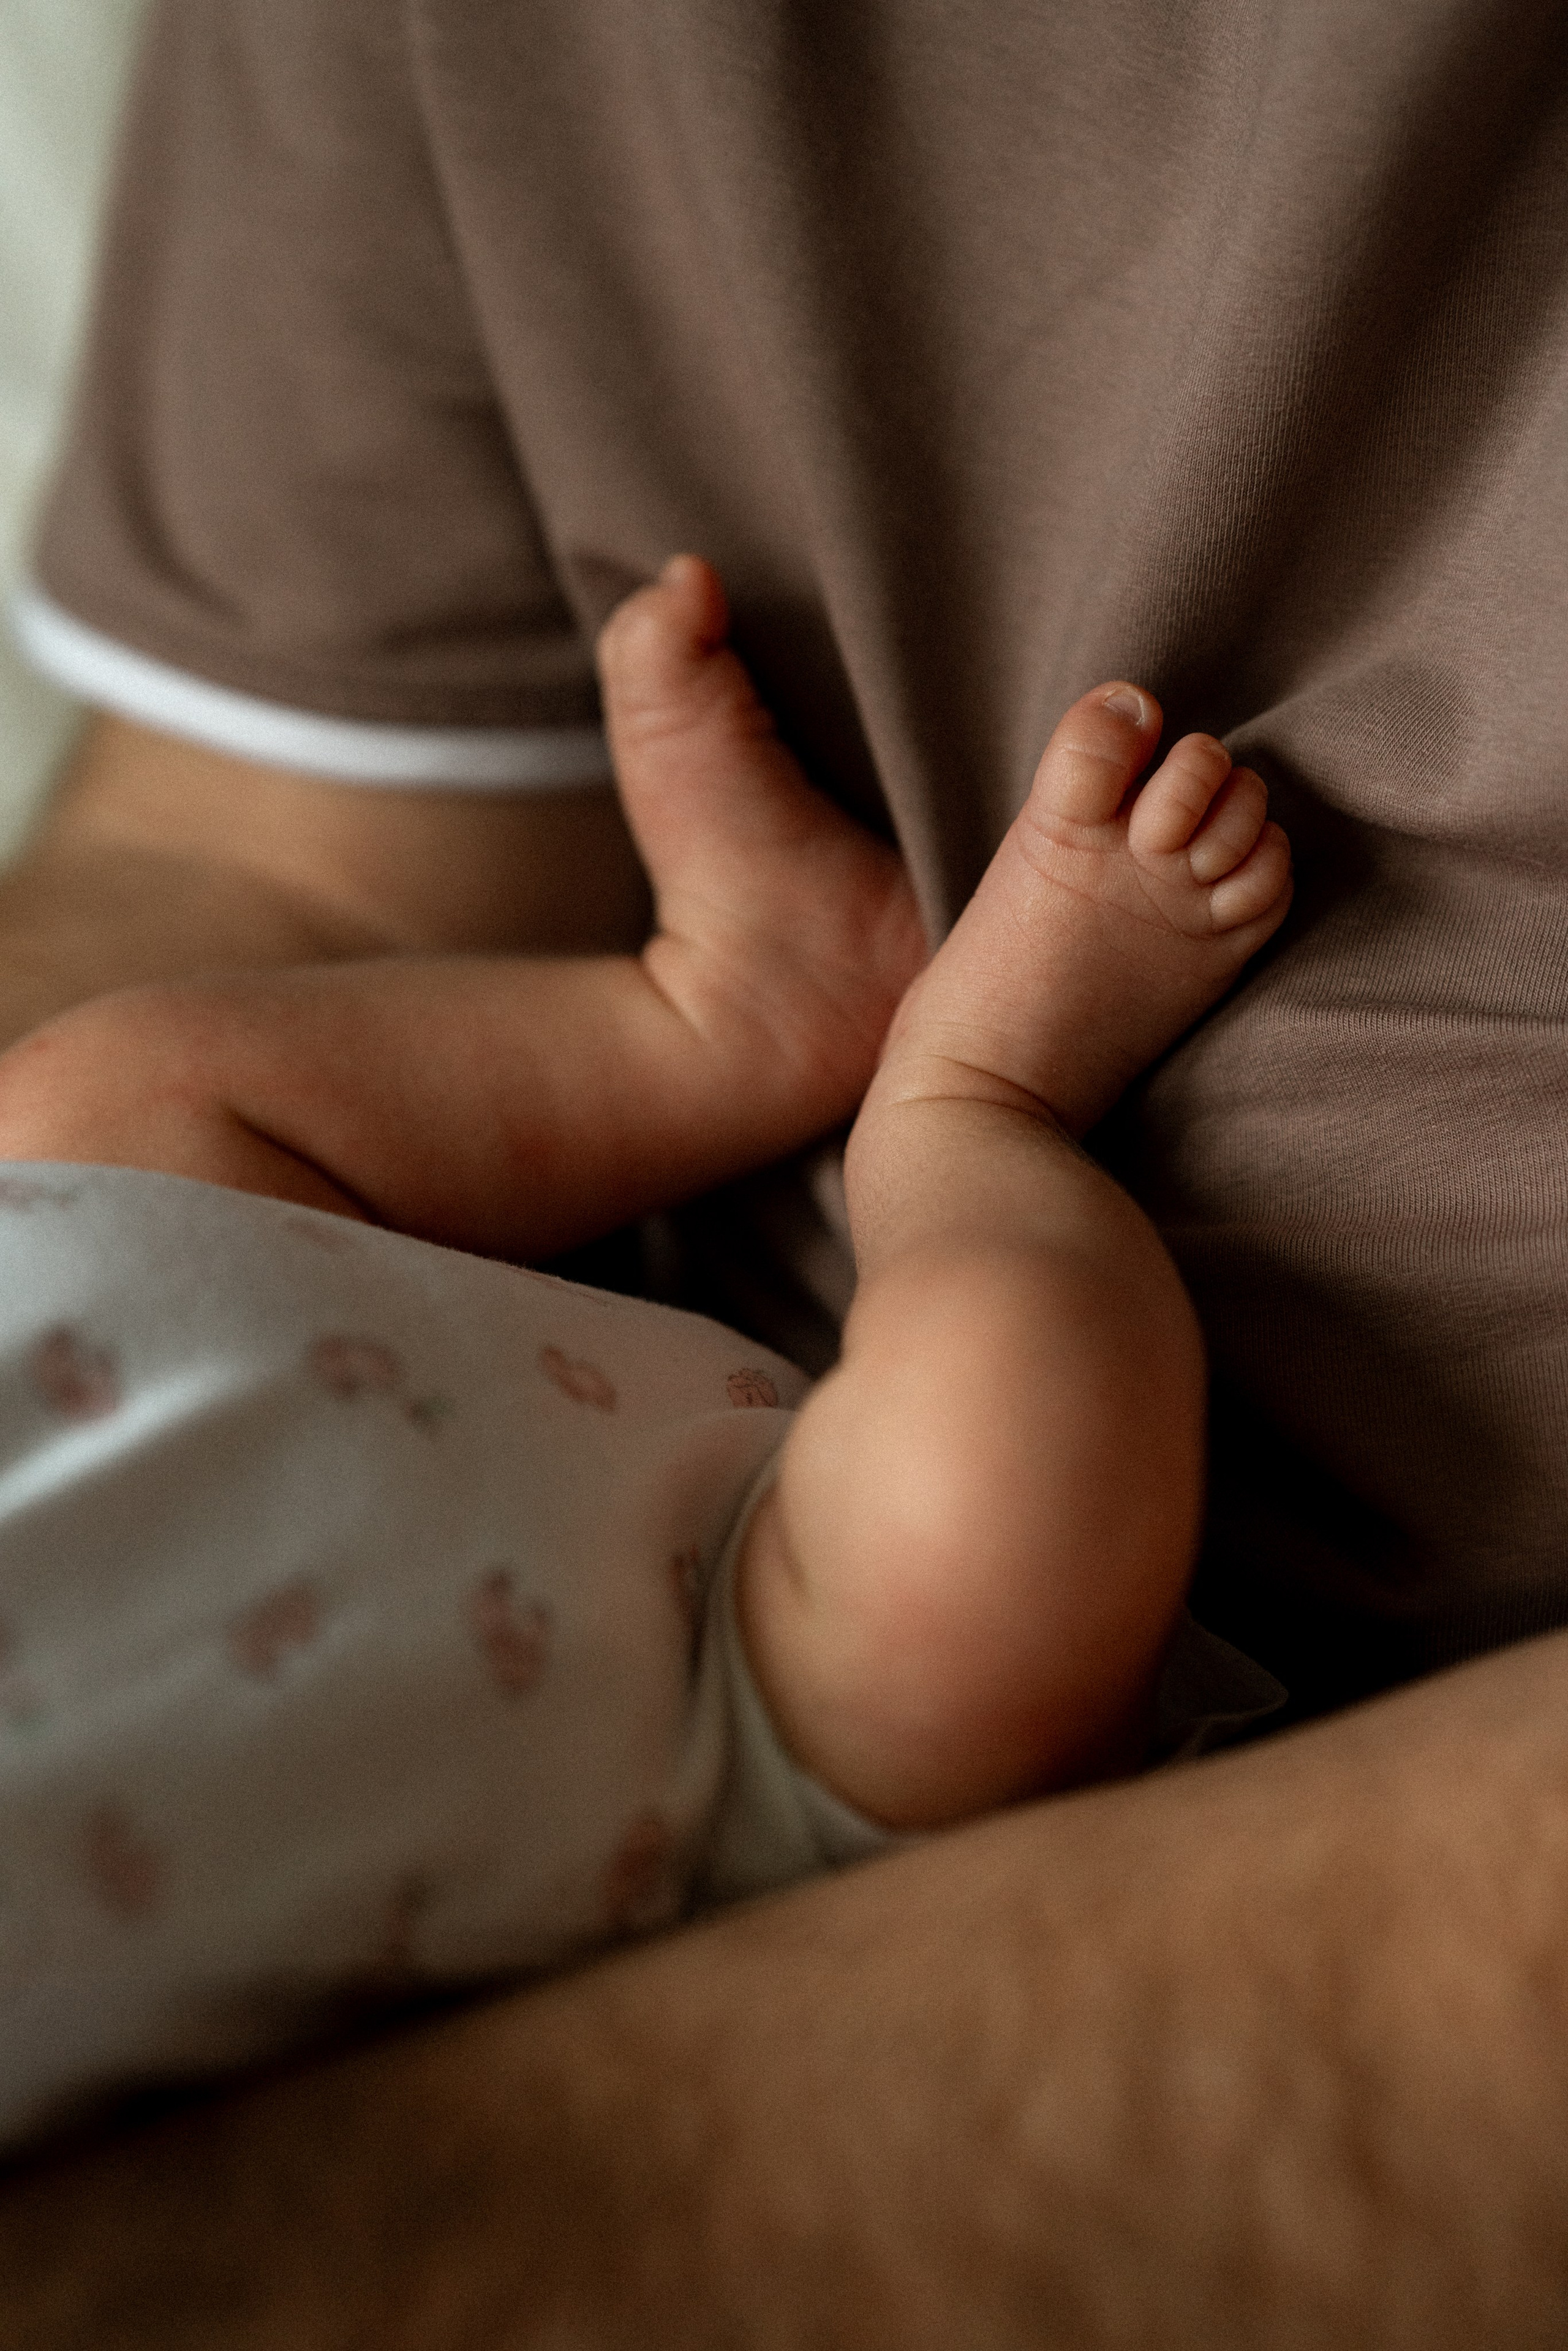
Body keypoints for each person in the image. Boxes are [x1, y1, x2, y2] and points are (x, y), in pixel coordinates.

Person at [2, 0, 1567, 2340]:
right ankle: (942, 1104)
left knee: (79, 1128)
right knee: (976, 1527)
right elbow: (287, 862)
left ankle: (752, 1039)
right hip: (748, 1684)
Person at [0, 554, 1289, 2146]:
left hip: (165, 1331)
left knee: (84, 1105)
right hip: (710, 1724)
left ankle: (724, 1012)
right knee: (995, 1468)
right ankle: (968, 1109)